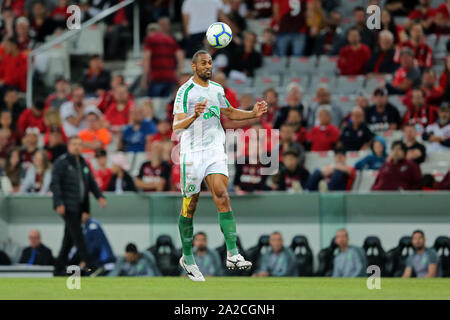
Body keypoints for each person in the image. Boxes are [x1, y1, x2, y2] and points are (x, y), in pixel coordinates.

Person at [172, 49, 267, 281]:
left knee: (222, 195)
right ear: (194, 67)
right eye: (203, 63)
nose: (208, 66)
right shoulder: (185, 91)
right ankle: (187, 256)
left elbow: (229, 112)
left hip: (214, 150)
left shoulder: (217, 89)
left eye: (210, 62)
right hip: (192, 153)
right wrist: (193, 116)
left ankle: (233, 253)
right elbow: (176, 125)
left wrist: (252, 113)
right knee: (190, 205)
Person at [51, 136, 107, 274]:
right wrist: (59, 202)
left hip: (79, 206)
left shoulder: (83, 163)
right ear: (69, 146)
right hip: (67, 206)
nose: (77, 147)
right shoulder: (62, 163)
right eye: (74, 144)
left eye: (79, 144)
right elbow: (55, 184)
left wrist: (99, 196)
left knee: (69, 239)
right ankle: (92, 266)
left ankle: (58, 269)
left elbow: (90, 183)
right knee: (78, 237)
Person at [141, 21, 184, 98]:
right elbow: (180, 56)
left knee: (155, 105)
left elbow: (147, 59)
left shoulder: (150, 39)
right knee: (166, 105)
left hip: (156, 77)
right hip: (170, 77)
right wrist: (178, 73)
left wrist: (144, 78)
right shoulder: (170, 39)